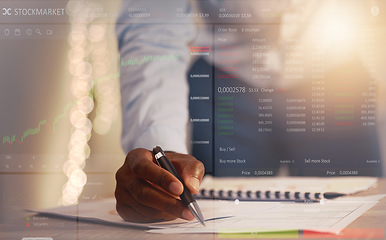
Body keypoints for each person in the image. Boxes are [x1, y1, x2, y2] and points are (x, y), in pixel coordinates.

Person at [114, 0, 384, 223]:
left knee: (361, 215)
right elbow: (154, 26)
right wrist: (160, 155)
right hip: (226, 82)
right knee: (225, 218)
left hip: (338, 79)